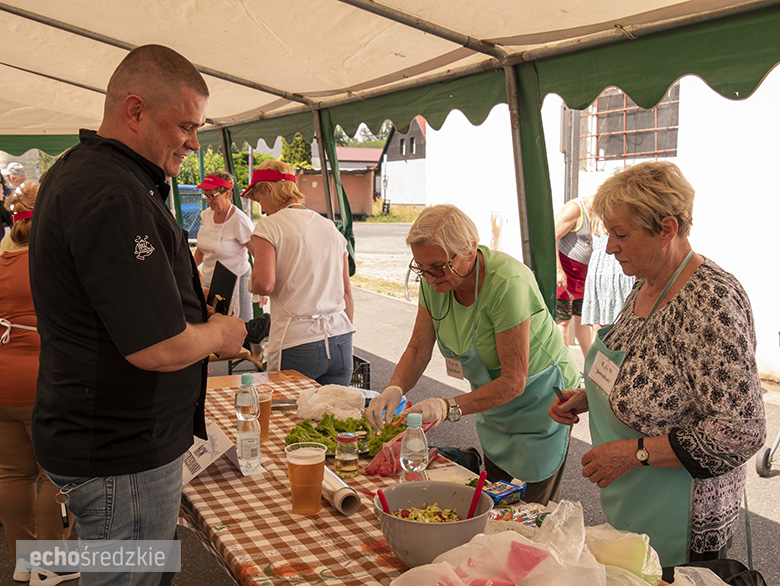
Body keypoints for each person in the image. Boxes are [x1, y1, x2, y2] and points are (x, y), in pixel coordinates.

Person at [28, 45, 246, 586]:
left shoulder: (89, 174)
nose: (194, 142)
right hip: (119, 457)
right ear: (135, 110)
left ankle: (41, 569)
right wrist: (219, 332)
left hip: (106, 446)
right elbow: (154, 347)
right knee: (133, 577)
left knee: (134, 566)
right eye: (186, 126)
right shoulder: (112, 193)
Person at [548, 161, 766, 567]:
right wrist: (588, 398)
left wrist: (635, 454)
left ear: (666, 229)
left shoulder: (708, 304)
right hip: (634, 500)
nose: (609, 247)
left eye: (621, 234)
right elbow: (647, 373)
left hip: (681, 515)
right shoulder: (647, 280)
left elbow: (742, 431)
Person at [366, 204, 580, 505]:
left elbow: (513, 381)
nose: (428, 278)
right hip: (493, 405)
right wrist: (393, 388)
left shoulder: (506, 283)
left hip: (539, 405)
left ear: (469, 248)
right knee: (492, 500)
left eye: (437, 267)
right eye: (420, 268)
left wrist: (445, 406)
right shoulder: (435, 281)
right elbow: (418, 348)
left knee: (528, 511)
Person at [0, 181, 76, 584]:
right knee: (54, 474)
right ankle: (51, 562)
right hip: (41, 379)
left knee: (12, 474)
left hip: (2, 380)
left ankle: (23, 559)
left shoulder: (2, 259)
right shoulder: (49, 261)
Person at [246, 160, 355, 385]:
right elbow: (346, 291)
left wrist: (252, 283)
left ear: (268, 188)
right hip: (340, 338)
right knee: (335, 416)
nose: (262, 209)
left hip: (296, 341)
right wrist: (343, 339)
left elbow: (264, 284)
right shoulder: (330, 227)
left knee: (289, 417)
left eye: (259, 201)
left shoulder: (269, 226)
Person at [193, 171, 255, 321]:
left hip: (234, 282)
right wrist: (189, 270)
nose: (207, 200)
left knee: (238, 324)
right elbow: (201, 250)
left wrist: (260, 287)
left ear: (227, 194)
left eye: (212, 196)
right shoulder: (206, 215)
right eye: (205, 195)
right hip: (209, 282)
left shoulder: (239, 220)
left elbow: (258, 253)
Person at [554, 195, 594, 357]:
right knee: (563, 322)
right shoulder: (575, 209)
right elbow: (551, 236)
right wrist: (558, 270)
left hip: (585, 277)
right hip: (566, 273)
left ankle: (589, 366)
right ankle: (566, 369)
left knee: (583, 321)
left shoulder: (603, 213)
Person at [580, 216, 635, 330]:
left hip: (599, 269)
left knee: (600, 321)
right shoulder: (618, 214)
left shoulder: (597, 216)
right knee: (619, 320)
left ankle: (597, 347)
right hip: (616, 267)